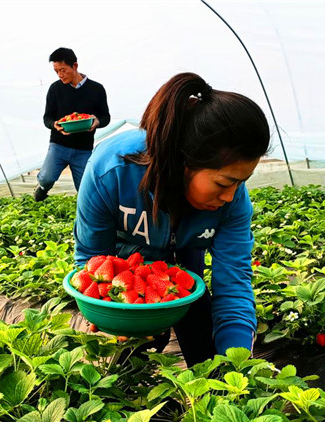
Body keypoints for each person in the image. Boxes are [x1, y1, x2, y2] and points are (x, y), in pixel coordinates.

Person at [73, 72, 270, 367]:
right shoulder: (109, 172)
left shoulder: (232, 203)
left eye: (240, 182)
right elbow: (92, 261)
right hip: (128, 274)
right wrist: (106, 313)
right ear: (183, 162)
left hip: (183, 269)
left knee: (204, 345)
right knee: (126, 363)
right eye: (223, 182)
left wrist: (236, 361)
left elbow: (233, 285)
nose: (230, 196)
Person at [34, 47, 110, 201]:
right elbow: (47, 117)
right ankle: (42, 187)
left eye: (63, 70)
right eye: (56, 71)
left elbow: (105, 117)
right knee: (46, 178)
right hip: (59, 144)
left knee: (85, 190)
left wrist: (97, 122)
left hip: (83, 149)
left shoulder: (97, 89)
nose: (60, 75)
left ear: (75, 66)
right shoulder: (55, 89)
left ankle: (85, 215)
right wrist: (54, 124)